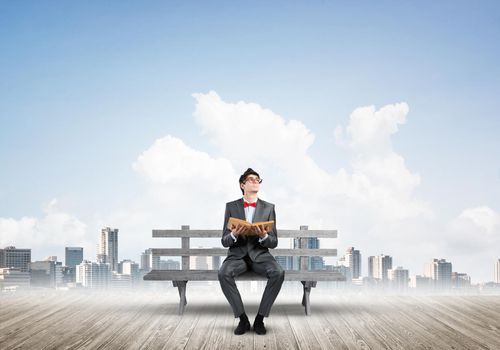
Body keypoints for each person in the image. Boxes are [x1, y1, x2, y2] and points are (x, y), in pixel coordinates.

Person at [218, 168, 285, 335]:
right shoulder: (231, 206)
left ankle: (260, 318)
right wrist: (234, 234)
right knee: (223, 273)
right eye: (251, 179)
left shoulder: (269, 208)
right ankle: (242, 319)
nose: (256, 181)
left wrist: (263, 235)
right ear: (242, 184)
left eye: (258, 179)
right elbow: (224, 241)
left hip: (260, 256)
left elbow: (274, 241)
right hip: (237, 257)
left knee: (279, 272)